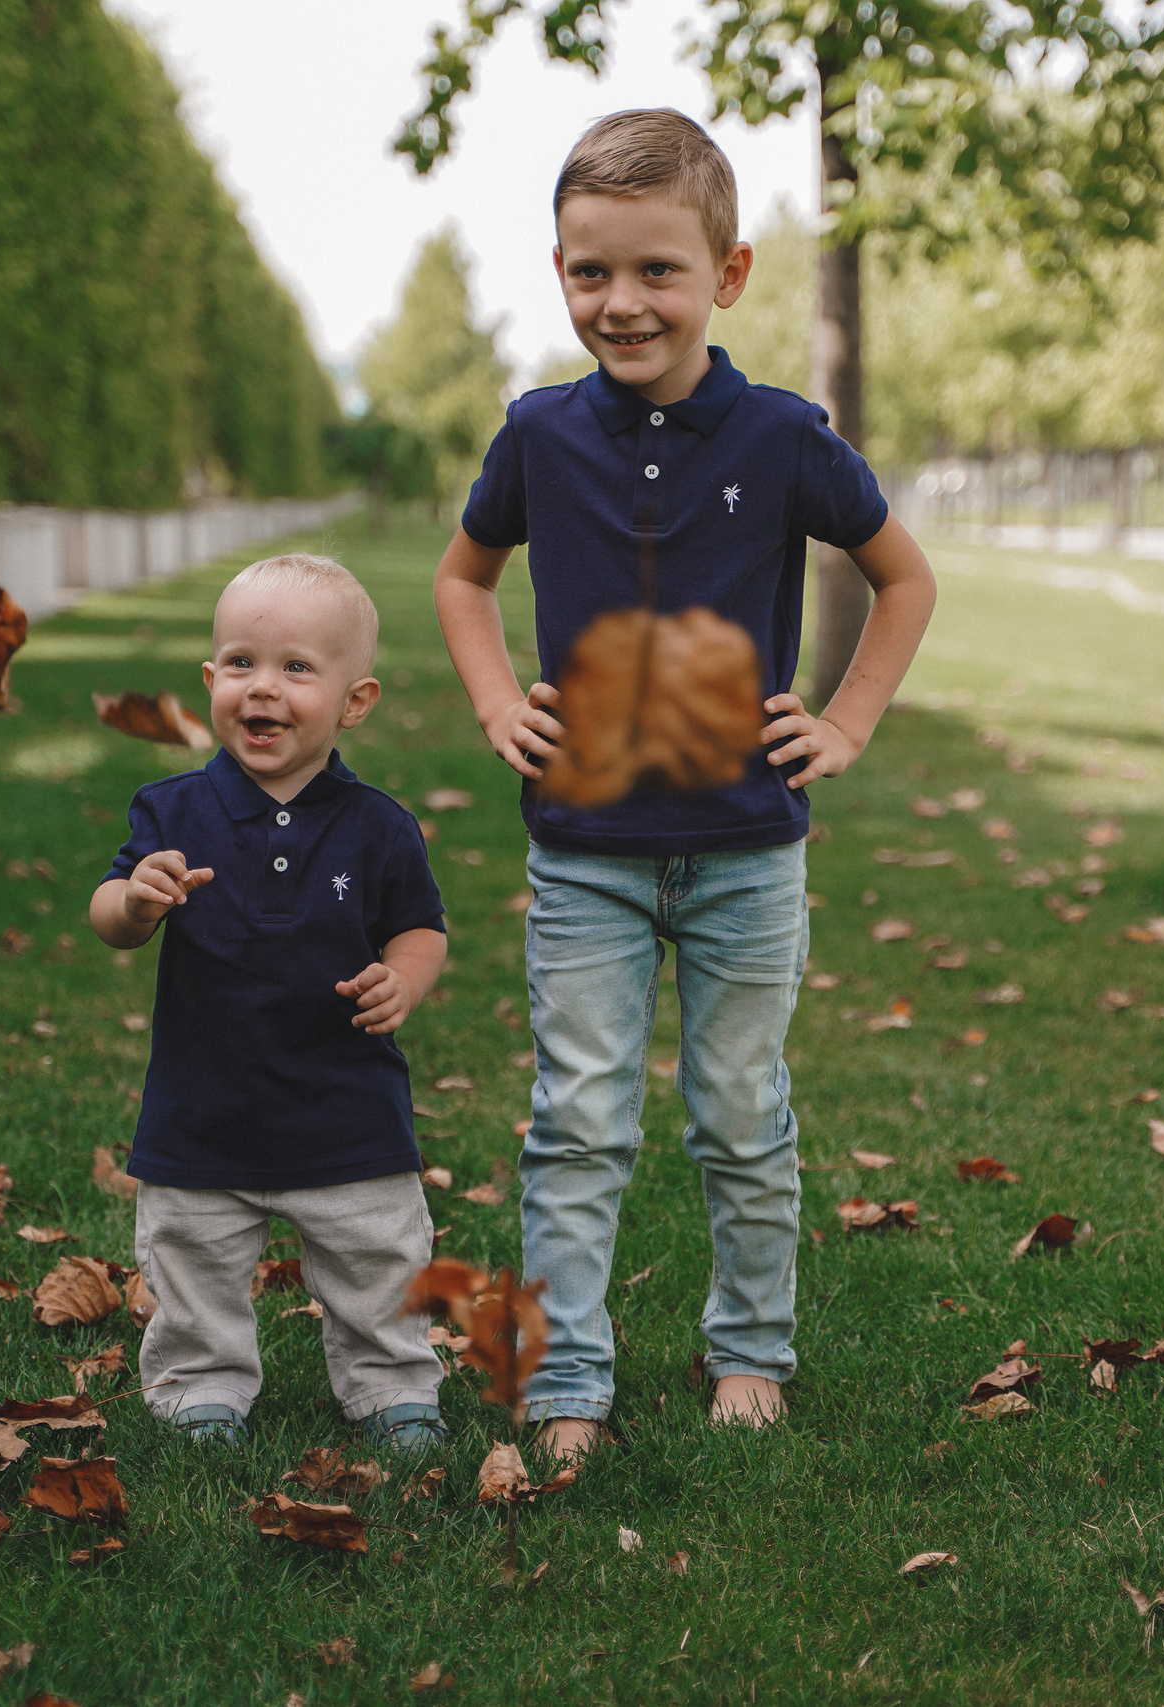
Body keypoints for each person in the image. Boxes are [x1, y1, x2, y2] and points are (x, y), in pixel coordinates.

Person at [434, 109, 938, 1463]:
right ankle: (566, 1379)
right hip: (583, 849)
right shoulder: (538, 435)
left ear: (729, 273)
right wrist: (495, 700)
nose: (624, 300)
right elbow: (462, 578)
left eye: (659, 269)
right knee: (579, 1123)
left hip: (746, 851)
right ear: (558, 272)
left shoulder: (782, 437)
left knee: (740, 1116)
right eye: (593, 271)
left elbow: (903, 575)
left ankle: (751, 1353)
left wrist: (846, 718)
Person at [90, 554, 450, 1450]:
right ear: (211, 681)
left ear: (353, 701)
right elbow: (109, 917)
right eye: (242, 664)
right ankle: (201, 1382)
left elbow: (421, 928)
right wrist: (136, 896)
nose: (264, 689)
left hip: (347, 1103)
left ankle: (390, 1381)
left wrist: (403, 978)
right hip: (205, 1102)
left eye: (296, 668)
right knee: (194, 1258)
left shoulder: (379, 826)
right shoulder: (170, 812)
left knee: (377, 1256)